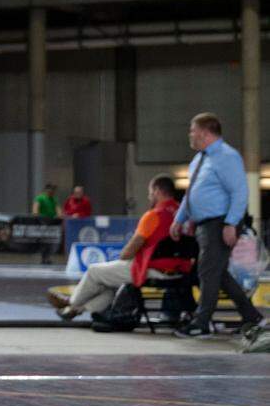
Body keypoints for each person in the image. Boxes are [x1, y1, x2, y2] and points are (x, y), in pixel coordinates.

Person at [170, 113, 265, 338]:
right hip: (205, 225)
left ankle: (201, 323)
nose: (190, 135)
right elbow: (191, 193)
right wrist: (179, 219)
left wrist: (231, 223)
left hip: (220, 223)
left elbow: (240, 192)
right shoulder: (199, 159)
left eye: (192, 131)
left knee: (207, 270)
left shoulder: (227, 156)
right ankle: (252, 317)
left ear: (204, 132)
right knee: (218, 273)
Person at [49, 175, 193, 320]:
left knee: (94, 272)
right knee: (108, 283)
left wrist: (122, 258)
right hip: (181, 271)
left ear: (157, 191)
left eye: (150, 192)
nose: (149, 196)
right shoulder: (185, 215)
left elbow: (128, 252)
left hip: (153, 270)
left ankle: (70, 302)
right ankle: (74, 309)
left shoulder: (153, 216)